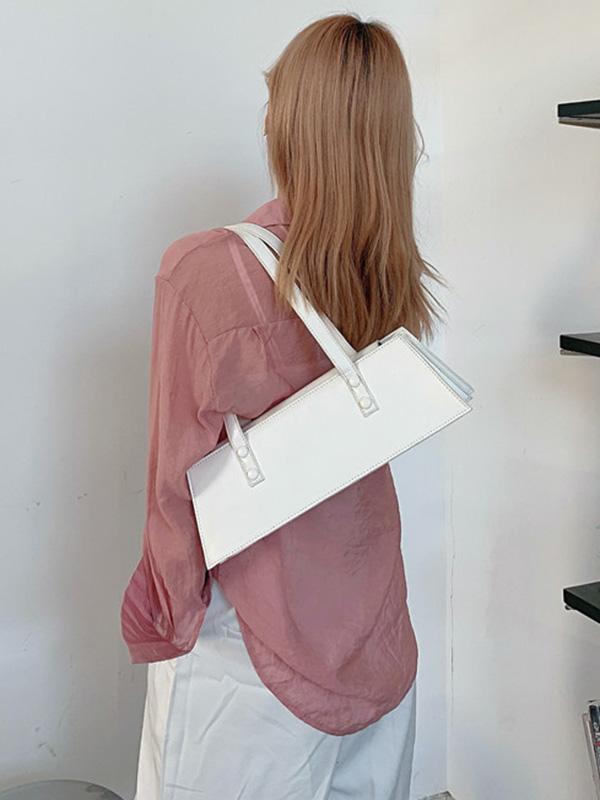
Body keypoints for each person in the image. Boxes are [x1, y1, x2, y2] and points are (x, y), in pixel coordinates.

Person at [121, 12, 446, 800]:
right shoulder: (389, 272)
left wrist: (166, 620)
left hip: (252, 655)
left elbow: (174, 488)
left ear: (288, 123)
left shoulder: (205, 271)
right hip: (377, 627)